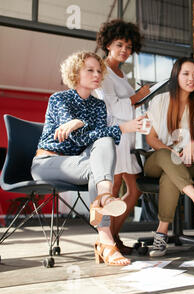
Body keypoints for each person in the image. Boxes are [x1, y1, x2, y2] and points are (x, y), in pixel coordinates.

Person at [31, 51, 147, 266]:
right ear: (75, 73)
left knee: (104, 143)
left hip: (78, 164)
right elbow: (76, 139)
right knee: (103, 146)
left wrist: (84, 123)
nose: (97, 74)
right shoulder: (59, 99)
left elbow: (99, 140)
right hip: (47, 163)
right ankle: (105, 228)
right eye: (90, 70)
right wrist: (109, 127)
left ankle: (104, 218)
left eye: (99, 70)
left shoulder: (98, 105)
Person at [144, 57, 194, 257]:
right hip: (158, 159)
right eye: (186, 74)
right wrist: (171, 152)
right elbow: (151, 139)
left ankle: (161, 234)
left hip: (189, 160)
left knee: (170, 175)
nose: (191, 79)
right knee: (165, 156)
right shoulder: (160, 101)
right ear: (176, 75)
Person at [95, 19, 150, 255]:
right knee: (112, 191)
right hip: (113, 138)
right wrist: (137, 97)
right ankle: (107, 241)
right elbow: (109, 106)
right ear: (108, 44)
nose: (124, 51)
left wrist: (142, 99)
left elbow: (127, 106)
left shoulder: (120, 73)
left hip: (127, 138)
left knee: (134, 190)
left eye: (128, 47)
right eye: (119, 45)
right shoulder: (102, 71)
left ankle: (113, 237)